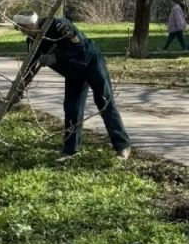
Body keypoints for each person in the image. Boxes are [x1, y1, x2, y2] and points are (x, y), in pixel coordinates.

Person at [12, 11, 131, 161]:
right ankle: (70, 150)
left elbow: (79, 47)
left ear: (31, 25)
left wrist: (55, 57)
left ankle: (122, 146)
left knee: (104, 102)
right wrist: (19, 89)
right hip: (73, 72)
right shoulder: (32, 41)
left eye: (23, 28)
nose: (23, 32)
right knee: (71, 108)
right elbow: (29, 68)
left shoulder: (58, 26)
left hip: (90, 62)